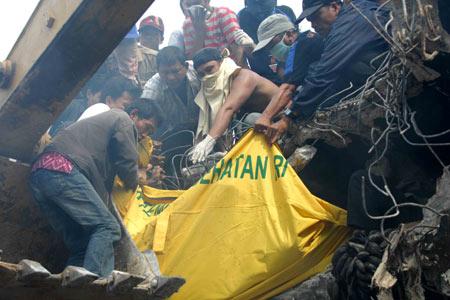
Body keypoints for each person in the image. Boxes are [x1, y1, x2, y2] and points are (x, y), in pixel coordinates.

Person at [29, 100, 161, 277]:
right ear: (134, 114)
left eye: (150, 133)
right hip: (62, 170)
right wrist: (138, 179)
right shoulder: (122, 118)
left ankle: (70, 291)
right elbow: (128, 164)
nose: (145, 135)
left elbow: (101, 190)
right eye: (147, 128)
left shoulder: (98, 139)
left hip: (41, 175)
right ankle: (90, 290)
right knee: (108, 228)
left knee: (82, 245)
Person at [256, 0, 389, 144]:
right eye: (310, 20)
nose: (313, 24)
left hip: (382, 74)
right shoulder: (353, 14)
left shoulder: (346, 27)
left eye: (316, 16)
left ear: (334, 7)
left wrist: (287, 117)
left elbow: (322, 74)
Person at [189, 47, 280, 163]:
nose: (206, 76)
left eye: (210, 69)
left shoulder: (243, 76)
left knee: (252, 119)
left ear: (221, 62)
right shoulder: (215, 87)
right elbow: (223, 119)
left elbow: (229, 108)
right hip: (257, 123)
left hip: (282, 120)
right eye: (202, 74)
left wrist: (208, 141)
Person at [141, 46, 200, 133]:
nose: (171, 77)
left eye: (175, 71)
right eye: (165, 72)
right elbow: (144, 113)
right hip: (173, 133)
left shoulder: (198, 69)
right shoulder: (152, 87)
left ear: (186, 66)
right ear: (157, 70)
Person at [253, 14, 324, 85]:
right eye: (268, 49)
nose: (271, 52)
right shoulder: (310, 38)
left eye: (272, 45)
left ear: (289, 34)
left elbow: (289, 88)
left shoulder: (302, 46)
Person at [238, 0, 296, 84]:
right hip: (261, 75)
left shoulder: (286, 12)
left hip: (289, 73)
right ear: (246, 3)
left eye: (262, 3)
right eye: (253, 4)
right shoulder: (241, 18)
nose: (258, 10)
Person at [182, 0, 253, 67]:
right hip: (206, 73)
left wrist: (240, 72)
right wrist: (199, 32)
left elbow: (238, 47)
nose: (192, 7)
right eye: (189, 4)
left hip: (232, 68)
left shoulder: (223, 14)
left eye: (196, 3)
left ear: (206, 1)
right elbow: (192, 59)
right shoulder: (187, 25)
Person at [138, 16, 165, 84]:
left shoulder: (166, 58)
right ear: (138, 38)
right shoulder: (132, 56)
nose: (149, 37)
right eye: (145, 34)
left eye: (154, 34)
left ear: (161, 39)